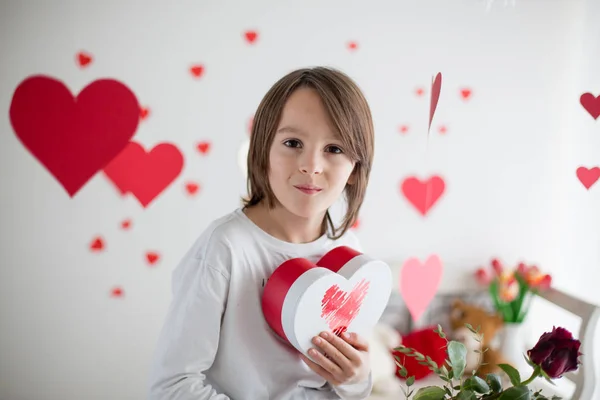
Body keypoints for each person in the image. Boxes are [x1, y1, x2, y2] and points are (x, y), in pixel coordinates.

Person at [148, 66, 378, 400]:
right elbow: (171, 386)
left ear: (355, 168)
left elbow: (349, 386)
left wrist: (355, 378)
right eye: (292, 143)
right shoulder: (225, 249)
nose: (311, 165)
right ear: (263, 151)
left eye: (334, 148)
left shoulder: (349, 254)